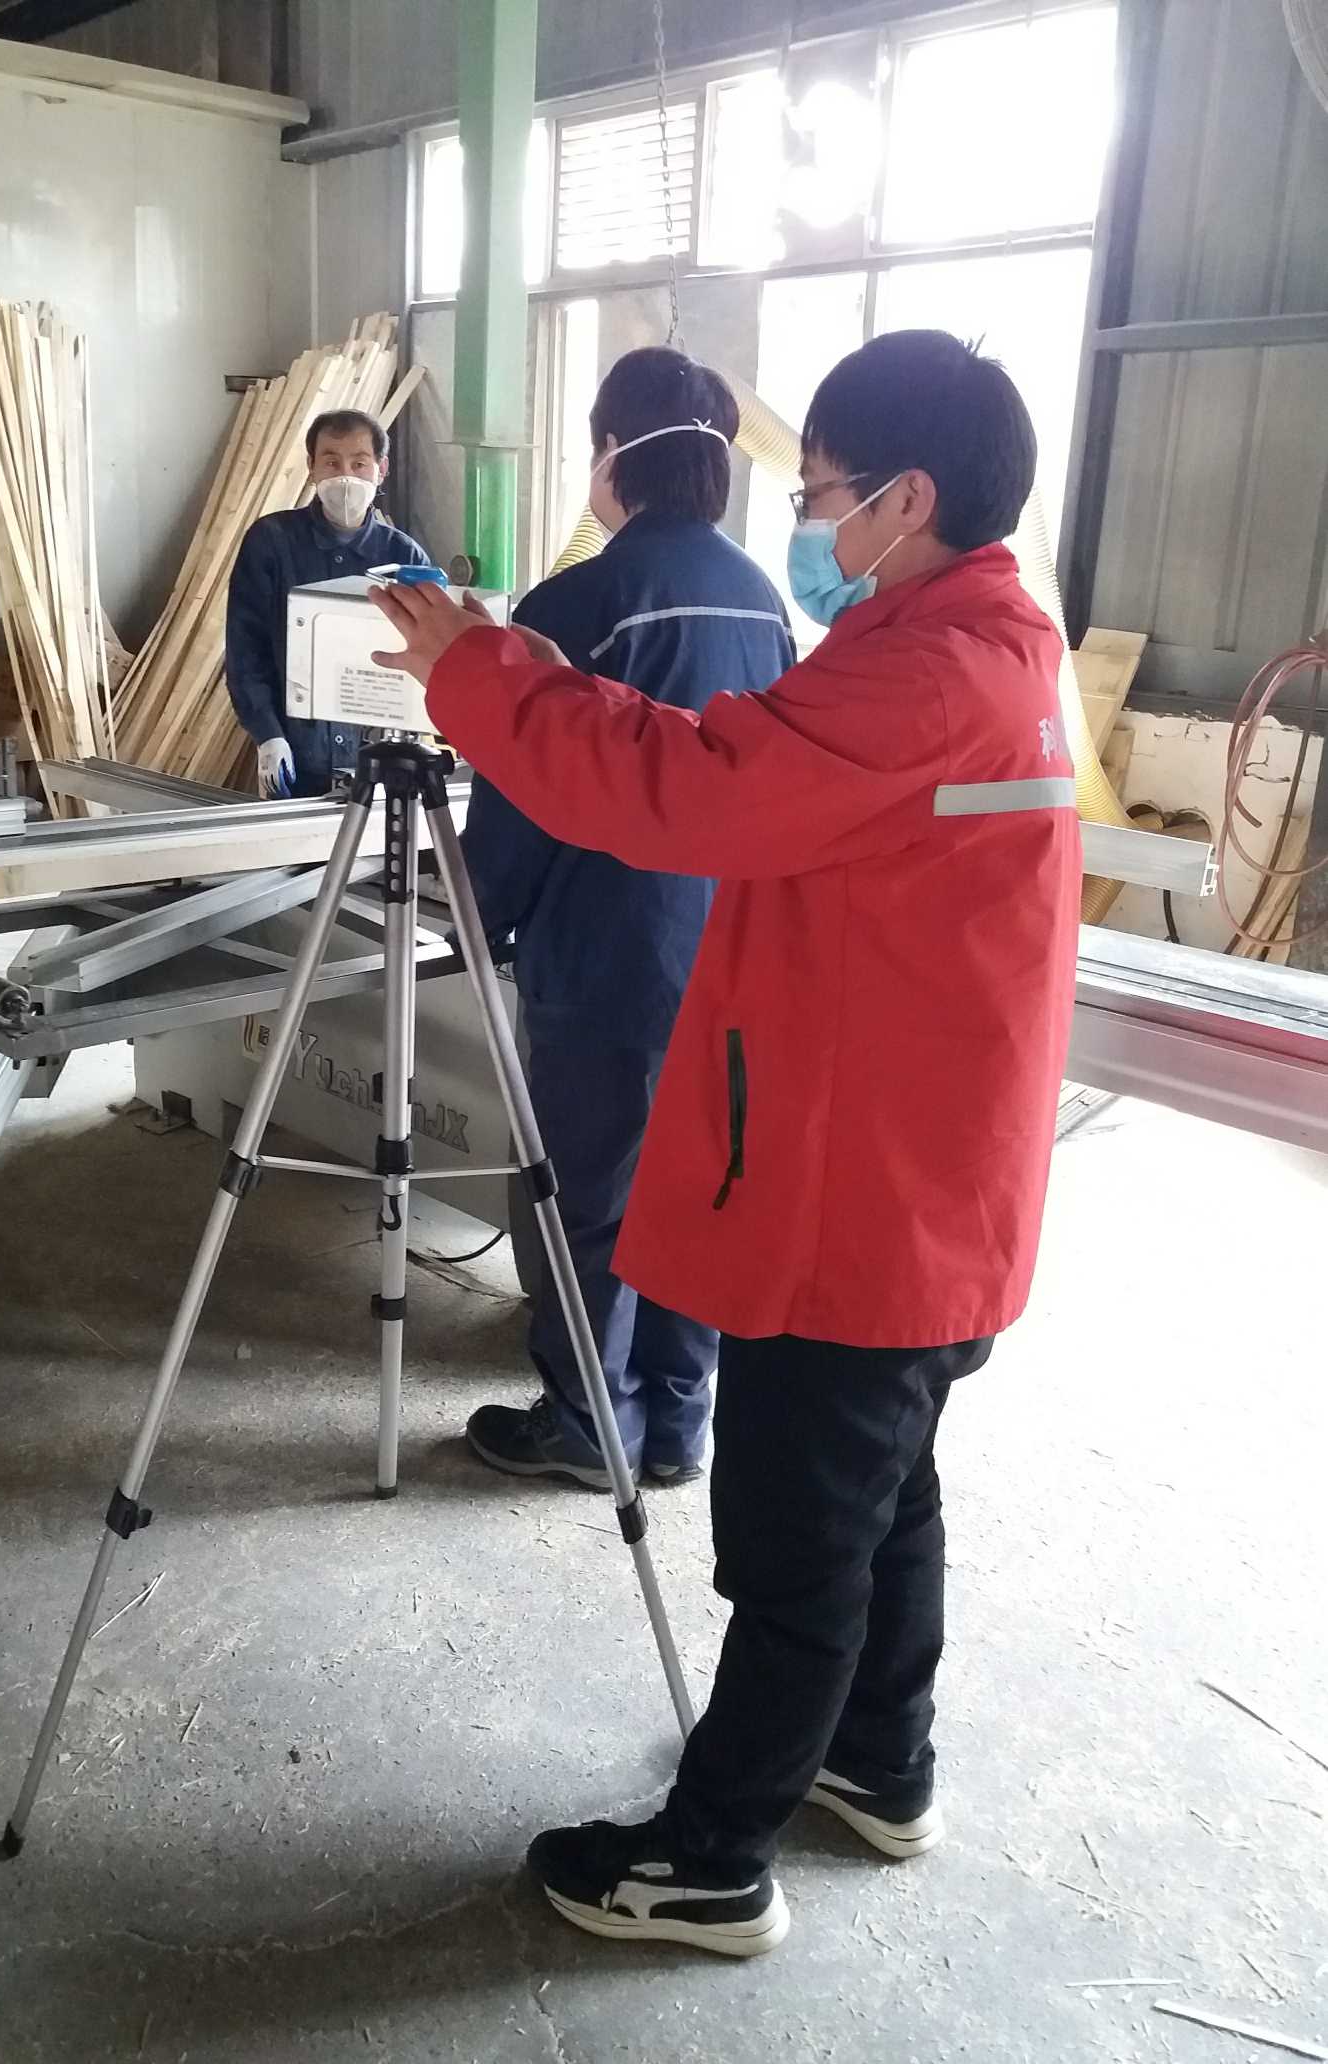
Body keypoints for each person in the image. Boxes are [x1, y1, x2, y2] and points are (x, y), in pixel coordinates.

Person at [373, 330, 1081, 1959]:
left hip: (867, 1186)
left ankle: (711, 1858)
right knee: (884, 1495)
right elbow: (743, 758)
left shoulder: (926, 673)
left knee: (795, 1543)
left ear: (909, 497)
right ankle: (877, 1759)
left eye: (826, 493)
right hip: (927, 1171)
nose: (812, 523)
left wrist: (479, 674)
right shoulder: (982, 642)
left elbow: (692, 791)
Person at [460, 347, 793, 1493]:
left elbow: (525, 792)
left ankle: (588, 1423)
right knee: (700, 1189)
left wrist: (476, 913)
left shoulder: (575, 604)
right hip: (727, 950)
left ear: (612, 455)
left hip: (606, 951)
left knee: (590, 1201)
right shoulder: (764, 601)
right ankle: (678, 1424)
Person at [226, 409, 430, 797]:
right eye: (332, 462)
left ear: (381, 469)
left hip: (380, 758)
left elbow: (425, 659)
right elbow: (246, 650)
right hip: (296, 754)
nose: (345, 476)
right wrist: (268, 735)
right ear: (312, 468)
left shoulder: (405, 558)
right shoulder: (271, 542)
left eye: (359, 463)